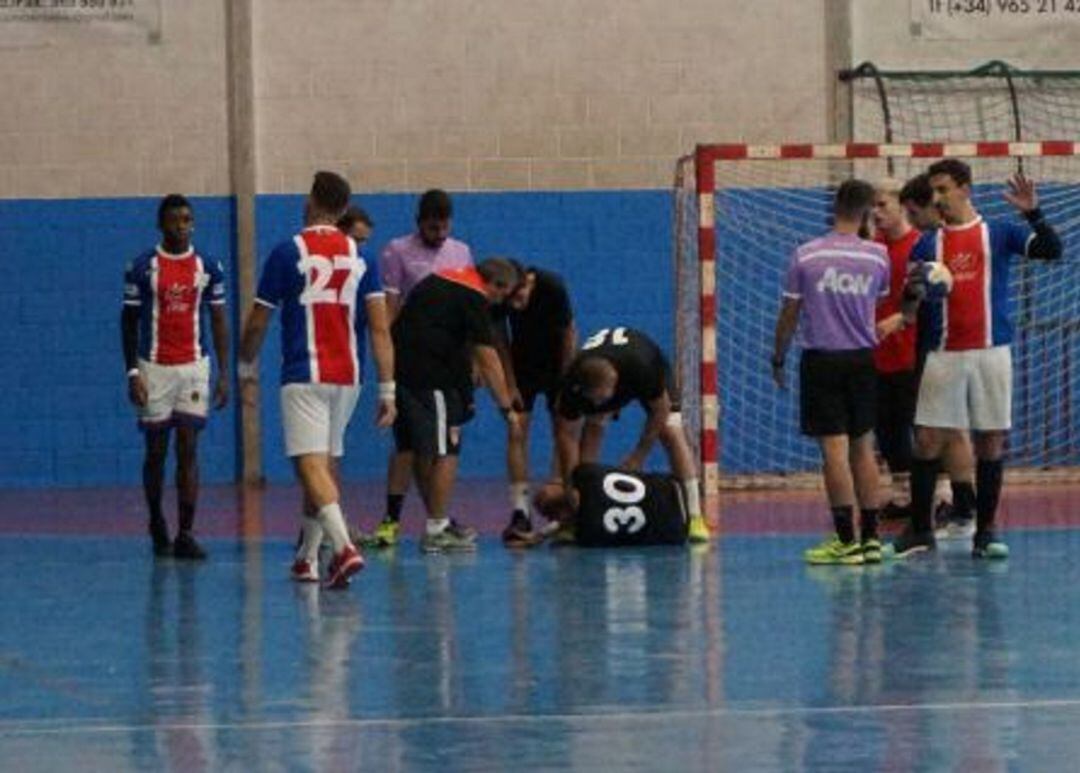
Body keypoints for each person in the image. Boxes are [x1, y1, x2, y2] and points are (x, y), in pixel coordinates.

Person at [888, 159, 1061, 559]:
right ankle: (920, 530)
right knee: (927, 440)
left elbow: (1052, 250)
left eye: (944, 189)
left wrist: (1033, 213)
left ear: (965, 188)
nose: (938, 198)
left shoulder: (998, 233)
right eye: (934, 191)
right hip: (944, 354)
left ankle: (985, 532)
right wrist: (913, 296)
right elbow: (911, 305)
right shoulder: (926, 245)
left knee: (990, 440)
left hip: (991, 351)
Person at [237, 171, 395, 588]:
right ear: (343, 211)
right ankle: (307, 559)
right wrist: (388, 389)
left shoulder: (287, 252)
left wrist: (245, 366)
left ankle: (343, 548)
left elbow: (258, 320)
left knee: (309, 465)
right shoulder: (363, 257)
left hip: (304, 373)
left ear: (310, 201)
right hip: (349, 376)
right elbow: (380, 329)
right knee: (321, 467)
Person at [772, 179, 889, 565]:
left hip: (822, 360)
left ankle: (846, 541)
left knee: (834, 452)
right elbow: (877, 303)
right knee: (864, 448)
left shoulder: (806, 255)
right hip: (863, 360)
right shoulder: (878, 257)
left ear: (835, 206)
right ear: (867, 212)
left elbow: (790, 313)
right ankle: (872, 539)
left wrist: (778, 356)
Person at [122, 194, 229, 559]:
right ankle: (156, 520)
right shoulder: (142, 267)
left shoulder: (208, 266)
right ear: (161, 225)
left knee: (188, 448)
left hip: (194, 368)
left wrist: (224, 373)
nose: (181, 226)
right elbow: (128, 322)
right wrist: (132, 372)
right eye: (174, 220)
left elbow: (218, 319)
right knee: (156, 452)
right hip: (154, 368)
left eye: (187, 219)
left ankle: (186, 532)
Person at [390, 258, 523, 553]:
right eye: (504, 294)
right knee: (447, 450)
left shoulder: (439, 279)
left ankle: (438, 522)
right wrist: (506, 408)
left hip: (404, 374)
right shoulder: (473, 295)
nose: (501, 301)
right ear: (496, 285)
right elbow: (488, 358)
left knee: (423, 450)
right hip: (433, 379)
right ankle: (436, 530)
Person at [370, 189, 475, 548]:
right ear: (419, 223)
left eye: (444, 227)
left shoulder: (461, 252)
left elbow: (468, 312)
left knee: (435, 445)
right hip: (409, 362)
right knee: (409, 446)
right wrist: (387, 367)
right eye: (432, 228)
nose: (439, 234)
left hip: (447, 364)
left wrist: (470, 361)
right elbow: (388, 311)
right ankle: (391, 521)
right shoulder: (396, 251)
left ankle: (437, 518)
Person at [552, 326, 711, 544]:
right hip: (606, 371)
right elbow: (566, 437)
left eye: (603, 399)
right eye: (594, 400)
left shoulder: (642, 368)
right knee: (593, 428)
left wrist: (638, 456)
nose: (599, 404)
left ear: (615, 384)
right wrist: (571, 486)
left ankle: (695, 515)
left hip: (647, 365)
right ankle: (579, 514)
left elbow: (660, 411)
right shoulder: (572, 385)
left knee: (671, 431)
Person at [900, 172, 979, 538]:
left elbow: (912, 308)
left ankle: (933, 520)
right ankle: (963, 511)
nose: (912, 220)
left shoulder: (945, 244)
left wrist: (907, 310)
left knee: (933, 435)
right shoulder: (928, 246)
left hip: (945, 349)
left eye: (914, 212)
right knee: (952, 430)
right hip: (940, 348)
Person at [491, 262, 577, 547]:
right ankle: (520, 511)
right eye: (510, 300)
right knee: (516, 430)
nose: (515, 305)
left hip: (555, 364)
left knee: (563, 431)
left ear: (529, 283)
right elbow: (500, 340)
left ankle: (566, 504)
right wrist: (510, 383)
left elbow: (568, 333)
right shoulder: (502, 289)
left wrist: (565, 381)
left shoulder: (552, 286)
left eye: (519, 298)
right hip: (522, 365)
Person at [872, 179, 921, 519]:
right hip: (877, 353)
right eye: (872, 206)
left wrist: (901, 320)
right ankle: (903, 497)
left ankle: (942, 497)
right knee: (887, 429)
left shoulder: (920, 245)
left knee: (924, 428)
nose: (876, 213)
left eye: (882, 205)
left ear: (902, 206)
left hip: (913, 353)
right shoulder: (871, 249)